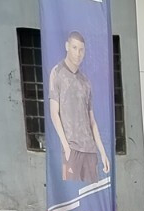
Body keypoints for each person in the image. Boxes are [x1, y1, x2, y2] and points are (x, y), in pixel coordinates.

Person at [49, 30, 109, 184]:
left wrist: (102, 152)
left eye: (81, 49)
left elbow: (92, 121)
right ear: (67, 46)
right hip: (72, 150)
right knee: (72, 195)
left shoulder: (86, 82)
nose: (78, 53)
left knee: (90, 199)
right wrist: (66, 147)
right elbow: (54, 113)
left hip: (90, 151)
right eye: (74, 48)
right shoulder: (57, 72)